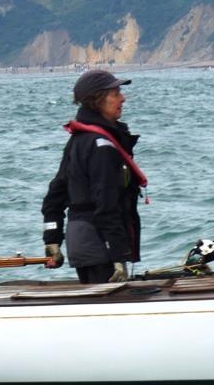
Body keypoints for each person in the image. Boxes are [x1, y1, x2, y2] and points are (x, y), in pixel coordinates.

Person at [41, 69, 146, 284]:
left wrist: (52, 240)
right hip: (101, 246)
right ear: (97, 100)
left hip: (81, 244)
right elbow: (106, 204)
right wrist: (118, 256)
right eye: (115, 93)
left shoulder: (79, 140)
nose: (123, 98)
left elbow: (55, 195)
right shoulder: (102, 146)